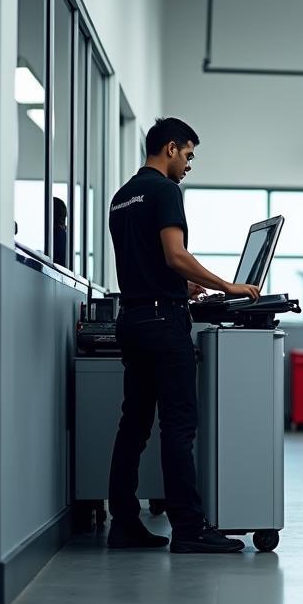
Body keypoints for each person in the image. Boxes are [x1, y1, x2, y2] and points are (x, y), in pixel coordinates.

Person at [106, 117, 261, 553]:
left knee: (133, 427)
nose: (189, 165)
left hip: (133, 319)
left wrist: (183, 286)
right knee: (179, 427)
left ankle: (123, 525)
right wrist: (226, 286)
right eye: (189, 155)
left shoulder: (122, 197)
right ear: (171, 148)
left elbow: (149, 262)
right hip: (162, 321)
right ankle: (189, 530)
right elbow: (175, 255)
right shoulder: (165, 190)